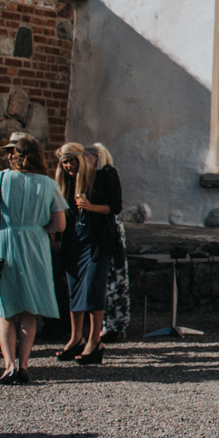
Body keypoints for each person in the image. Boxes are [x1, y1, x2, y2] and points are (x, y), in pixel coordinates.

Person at [0, 135, 67, 385]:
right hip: (36, 243)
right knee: (29, 309)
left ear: (13, 156)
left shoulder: (1, 178)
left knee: (6, 309)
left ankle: (8, 366)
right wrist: (39, 226)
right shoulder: (49, 184)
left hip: (6, 240)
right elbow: (59, 223)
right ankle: (24, 364)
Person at [54, 142, 121, 366]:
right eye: (64, 162)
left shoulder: (102, 177)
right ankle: (76, 338)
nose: (68, 166)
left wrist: (91, 206)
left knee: (93, 288)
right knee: (75, 290)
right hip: (73, 243)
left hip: (96, 243)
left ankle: (95, 341)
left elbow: (115, 207)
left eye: (72, 161)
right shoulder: (65, 183)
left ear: (81, 159)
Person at [91, 143, 130, 342]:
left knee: (113, 278)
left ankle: (113, 324)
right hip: (106, 230)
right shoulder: (103, 173)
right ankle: (110, 324)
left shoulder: (107, 173)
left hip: (108, 232)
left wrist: (91, 207)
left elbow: (114, 206)